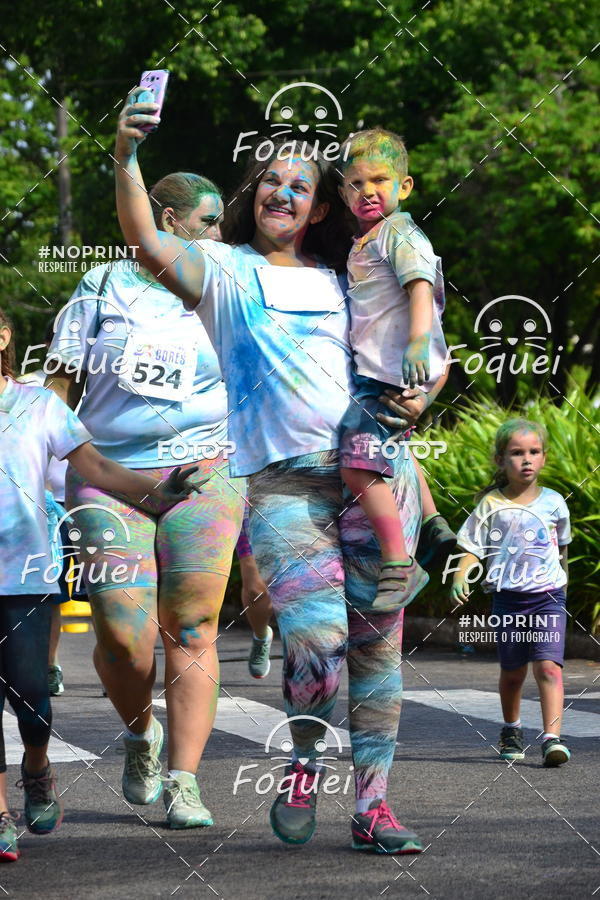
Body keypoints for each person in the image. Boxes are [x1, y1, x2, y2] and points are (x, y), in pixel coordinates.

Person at [112, 89, 450, 854]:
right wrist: (127, 157)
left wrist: (421, 397)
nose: (284, 191)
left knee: (376, 652)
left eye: (302, 185)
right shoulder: (225, 273)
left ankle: (373, 809)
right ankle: (303, 763)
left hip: (371, 472)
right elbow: (144, 240)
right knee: (318, 643)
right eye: (272, 180)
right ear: (253, 193)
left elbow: (422, 349)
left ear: (319, 209)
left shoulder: (350, 275)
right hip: (284, 487)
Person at [46, 172, 247, 830]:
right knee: (121, 636)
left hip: (208, 475)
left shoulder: (226, 285)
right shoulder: (100, 287)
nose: (219, 233)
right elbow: (58, 391)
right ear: (164, 218)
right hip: (109, 478)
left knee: (192, 629)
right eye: (209, 220)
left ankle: (185, 781)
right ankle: (141, 735)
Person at [0, 308, 196, 862]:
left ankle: (37, 768)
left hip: (24, 575)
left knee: (31, 692)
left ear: (3, 335)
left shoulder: (38, 405)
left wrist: (157, 494)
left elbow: (94, 466)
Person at [338, 128, 456, 610]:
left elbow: (421, 286)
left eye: (380, 180)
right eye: (355, 183)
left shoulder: (398, 232)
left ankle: (397, 562)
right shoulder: (365, 240)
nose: (367, 191)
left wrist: (415, 344)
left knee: (356, 463)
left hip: (392, 371)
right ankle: (431, 525)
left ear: (404, 187)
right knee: (398, 450)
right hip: (387, 369)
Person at [450, 419, 571, 767]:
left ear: (544, 458)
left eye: (534, 452)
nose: (527, 459)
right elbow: (472, 546)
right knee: (514, 671)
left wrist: (565, 588)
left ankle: (552, 738)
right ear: (501, 460)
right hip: (508, 598)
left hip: (548, 597)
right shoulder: (491, 504)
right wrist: (461, 576)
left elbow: (560, 551)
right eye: (517, 453)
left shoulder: (555, 502)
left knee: (549, 667)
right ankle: (511, 728)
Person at [19, 319, 86, 696]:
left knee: (106, 589)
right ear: (48, 344)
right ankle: (47, 665)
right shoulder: (27, 384)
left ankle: (124, 662)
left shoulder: (100, 385)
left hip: (89, 502)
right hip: (39, 505)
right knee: (48, 589)